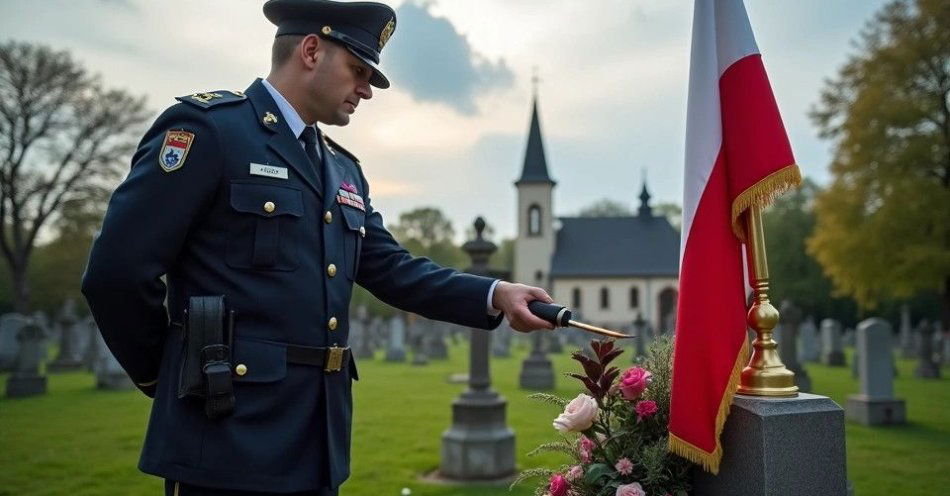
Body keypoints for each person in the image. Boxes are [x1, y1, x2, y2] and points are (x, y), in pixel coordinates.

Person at [80, 1, 554, 495]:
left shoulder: (342, 169)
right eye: (358, 70)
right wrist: (166, 375)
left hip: (317, 438)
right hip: (225, 435)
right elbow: (116, 273)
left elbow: (390, 268)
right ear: (310, 50)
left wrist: (495, 293)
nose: (367, 90)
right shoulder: (212, 130)